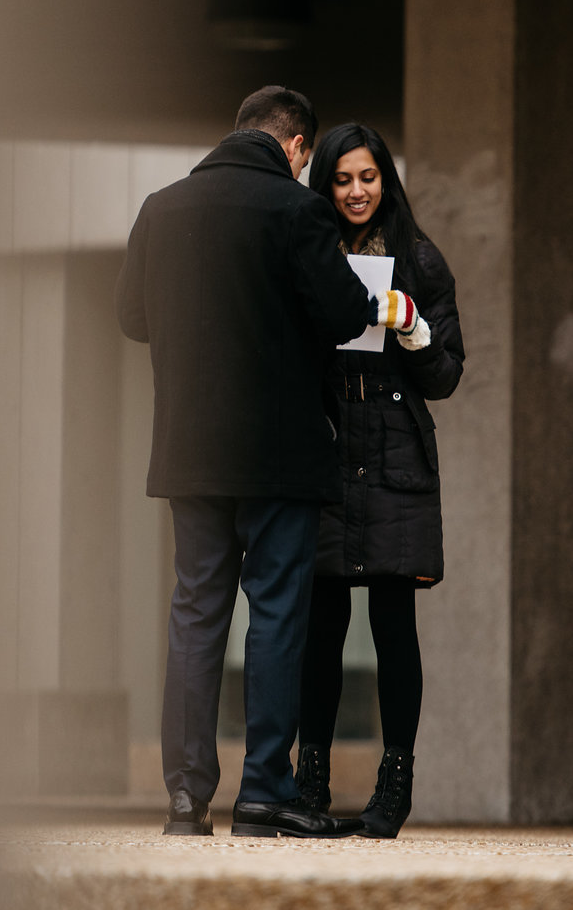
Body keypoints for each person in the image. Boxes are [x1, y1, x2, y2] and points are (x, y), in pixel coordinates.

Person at [116, 88, 420, 839]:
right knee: (277, 613)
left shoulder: (161, 206)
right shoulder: (296, 210)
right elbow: (347, 310)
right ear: (296, 146)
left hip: (190, 449)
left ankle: (186, 798)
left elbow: (131, 317)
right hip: (281, 452)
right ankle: (263, 792)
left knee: (195, 612)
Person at [294, 122, 465, 838]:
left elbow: (448, 374)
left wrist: (415, 330)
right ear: (325, 185)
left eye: (368, 177)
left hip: (395, 450)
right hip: (330, 450)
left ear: (384, 181)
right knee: (321, 624)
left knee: (394, 623)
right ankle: (311, 780)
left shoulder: (419, 258)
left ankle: (395, 782)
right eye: (342, 179)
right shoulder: (306, 253)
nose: (356, 191)